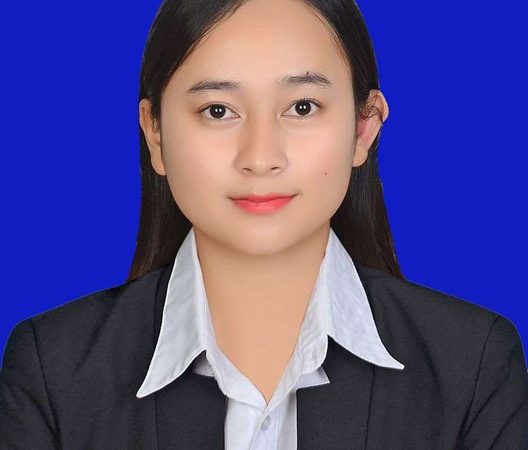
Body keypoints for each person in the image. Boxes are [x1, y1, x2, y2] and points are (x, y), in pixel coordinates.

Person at [1, 0, 527, 448]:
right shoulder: (52, 372)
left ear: (364, 129)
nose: (259, 157)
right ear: (155, 133)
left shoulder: (474, 366)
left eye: (302, 107)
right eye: (217, 111)